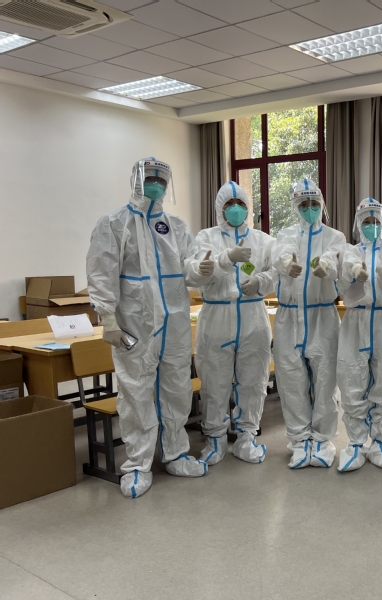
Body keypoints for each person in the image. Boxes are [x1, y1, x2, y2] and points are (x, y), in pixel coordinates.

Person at [87, 157, 210, 499]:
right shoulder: (114, 223)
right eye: (150, 177)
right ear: (136, 180)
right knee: (135, 391)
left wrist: (202, 268)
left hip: (175, 322)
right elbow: (101, 273)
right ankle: (138, 464)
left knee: (177, 387)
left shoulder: (176, 226)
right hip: (135, 324)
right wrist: (108, 320)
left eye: (161, 179)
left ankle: (175, 453)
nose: (156, 184)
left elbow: (189, 268)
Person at [193, 182, 274, 466]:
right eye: (229, 204)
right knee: (214, 382)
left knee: (253, 381)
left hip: (253, 315)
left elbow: (279, 270)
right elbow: (197, 273)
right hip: (217, 315)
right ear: (220, 208)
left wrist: (261, 281)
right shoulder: (206, 237)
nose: (236, 209)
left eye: (241, 203)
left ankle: (246, 438)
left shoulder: (263, 240)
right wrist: (226, 259)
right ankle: (215, 439)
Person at [271, 178, 346, 469]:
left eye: (314, 203)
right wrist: (286, 263)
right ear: (296, 206)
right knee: (292, 381)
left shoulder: (334, 236)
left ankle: (323, 440)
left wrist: (327, 266)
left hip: (322, 315)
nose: (310, 208)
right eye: (304, 204)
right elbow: (282, 252)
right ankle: (300, 440)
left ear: (322, 204)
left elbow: (335, 257)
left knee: (325, 380)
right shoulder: (286, 234)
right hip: (289, 316)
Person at [337, 198, 382, 472]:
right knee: (352, 379)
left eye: (376, 221)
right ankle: (356, 444)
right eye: (366, 221)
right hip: (355, 319)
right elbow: (344, 271)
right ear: (358, 224)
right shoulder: (350, 250)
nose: (371, 226)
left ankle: (380, 444)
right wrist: (354, 271)